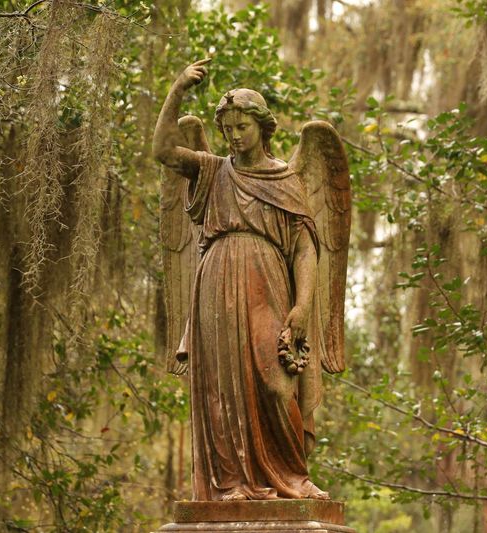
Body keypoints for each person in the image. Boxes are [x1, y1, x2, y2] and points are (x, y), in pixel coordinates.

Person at [153, 59, 329, 501]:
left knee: (275, 381)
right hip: (216, 281)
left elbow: (306, 247)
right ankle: (230, 483)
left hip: (267, 282)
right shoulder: (213, 170)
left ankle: (292, 476)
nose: (233, 136)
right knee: (222, 387)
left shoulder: (286, 178)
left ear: (262, 127)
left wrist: (304, 304)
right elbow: (163, 152)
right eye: (227, 127)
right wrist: (176, 90)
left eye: (241, 126)